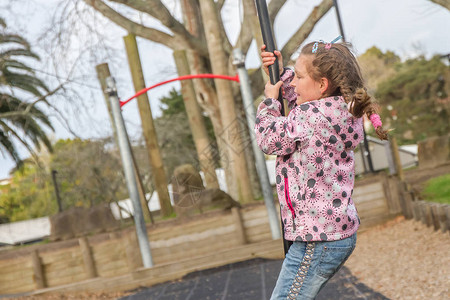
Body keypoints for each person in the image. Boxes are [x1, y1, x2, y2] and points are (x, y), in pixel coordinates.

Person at [255, 40, 388, 300]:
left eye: (299, 76)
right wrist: (282, 75)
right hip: (333, 233)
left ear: (322, 84)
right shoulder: (339, 112)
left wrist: (271, 101)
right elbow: (303, 100)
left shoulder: (309, 118)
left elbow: (269, 139)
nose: (293, 83)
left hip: (317, 240)